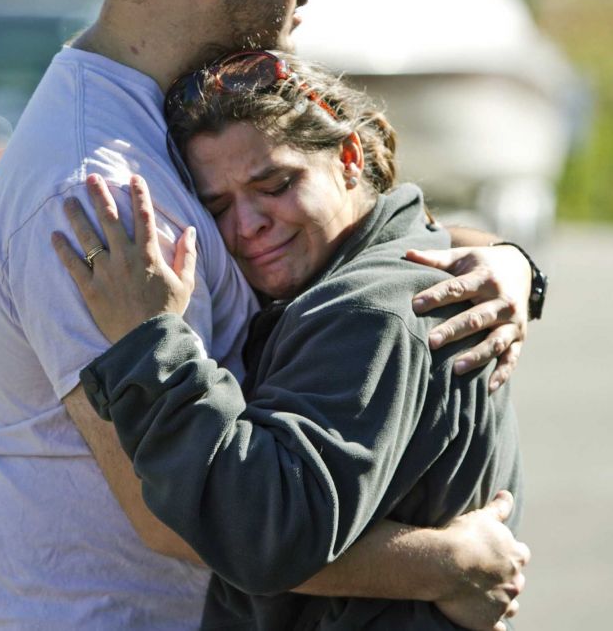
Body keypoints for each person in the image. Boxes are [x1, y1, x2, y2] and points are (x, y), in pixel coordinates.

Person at [0, 0, 540, 628]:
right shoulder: (96, 185)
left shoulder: (162, 127)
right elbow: (171, 519)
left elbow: (337, 238)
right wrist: (448, 563)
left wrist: (507, 261)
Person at [51, 50, 525, 629]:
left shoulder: (371, 312)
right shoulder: (351, 278)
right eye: (217, 205)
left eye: (274, 184)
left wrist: (151, 342)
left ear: (348, 158)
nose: (247, 224)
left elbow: (261, 532)